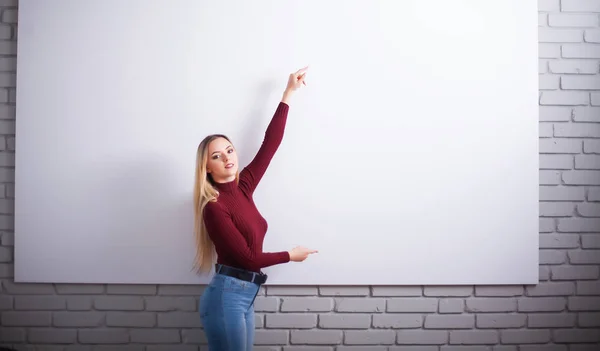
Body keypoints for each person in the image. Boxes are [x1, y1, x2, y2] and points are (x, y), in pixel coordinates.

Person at [193, 66, 318, 350]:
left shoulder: (244, 185)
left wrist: (288, 93)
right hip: (227, 296)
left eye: (229, 150)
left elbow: (270, 143)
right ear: (207, 168)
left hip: (245, 295)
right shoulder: (213, 207)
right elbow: (249, 259)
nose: (227, 157)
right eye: (216, 155)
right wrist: (290, 255)